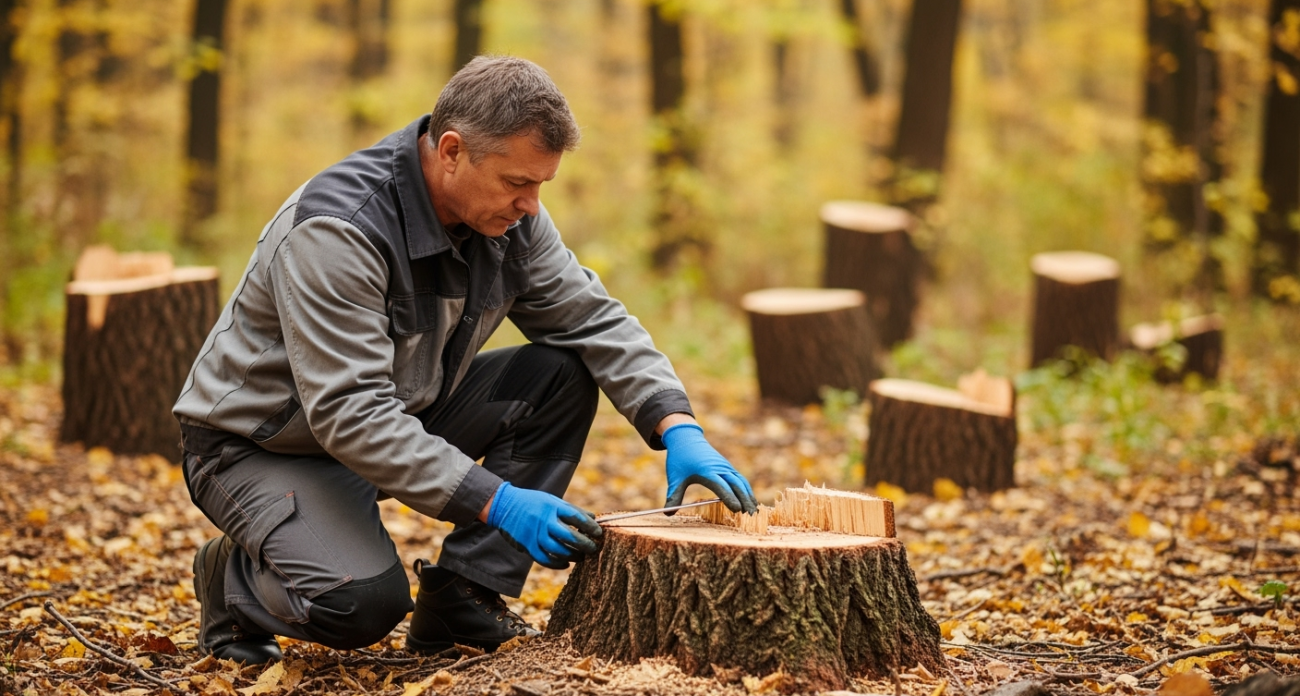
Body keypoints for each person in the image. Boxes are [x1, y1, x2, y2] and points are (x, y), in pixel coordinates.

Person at [173, 55, 757, 665]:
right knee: (361, 604)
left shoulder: (509, 220)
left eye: (541, 185)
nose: (531, 205)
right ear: (451, 150)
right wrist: (499, 501)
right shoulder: (339, 230)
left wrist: (678, 426)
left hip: (396, 414)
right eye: (516, 184)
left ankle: (463, 599)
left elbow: (591, 318)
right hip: (260, 446)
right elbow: (350, 412)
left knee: (559, 372)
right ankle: (231, 582)